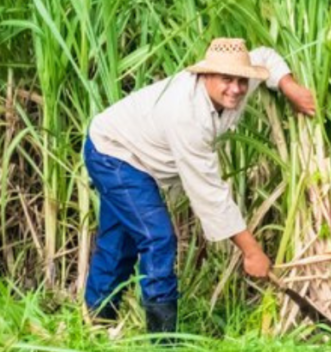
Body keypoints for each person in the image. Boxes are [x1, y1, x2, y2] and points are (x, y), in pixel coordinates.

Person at [81, 37, 316, 336]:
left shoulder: (239, 83)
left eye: (242, 80)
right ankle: (164, 341)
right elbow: (209, 195)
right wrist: (251, 251)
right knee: (157, 239)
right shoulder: (186, 115)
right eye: (226, 79)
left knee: (119, 244)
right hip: (113, 153)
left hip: (126, 149)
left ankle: (95, 326)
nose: (236, 88)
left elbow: (266, 58)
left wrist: (288, 86)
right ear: (205, 75)